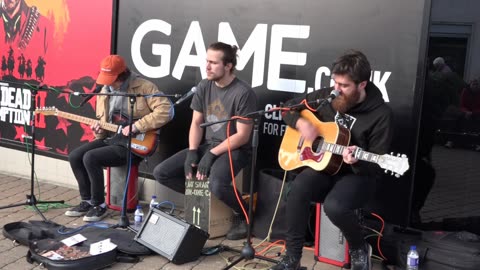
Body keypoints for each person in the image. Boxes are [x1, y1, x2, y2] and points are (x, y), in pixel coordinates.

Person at [271, 50, 394, 270]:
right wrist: (301, 123)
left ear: (362, 84)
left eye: (344, 86)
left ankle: (358, 248)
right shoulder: (328, 96)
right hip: (325, 167)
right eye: (335, 82)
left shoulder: (381, 115)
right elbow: (288, 107)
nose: (337, 89)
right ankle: (292, 257)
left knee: (335, 207)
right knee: (297, 189)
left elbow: (377, 164)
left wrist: (356, 160)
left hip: (357, 174)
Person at [153, 42, 257, 240]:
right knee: (162, 173)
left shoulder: (244, 93)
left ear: (228, 66)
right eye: (206, 61)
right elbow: (196, 122)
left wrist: (212, 154)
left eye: (213, 63)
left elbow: (242, 136)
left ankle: (244, 213)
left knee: (217, 184)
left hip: (235, 149)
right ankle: (202, 200)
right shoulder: (204, 85)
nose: (207, 67)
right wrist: (193, 151)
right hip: (208, 145)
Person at [65, 55, 173, 222]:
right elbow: (104, 130)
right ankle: (86, 201)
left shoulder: (144, 87)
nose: (107, 83)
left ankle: (99, 205)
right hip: (113, 139)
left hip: (135, 144)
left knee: (91, 157)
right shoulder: (104, 91)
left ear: (122, 75)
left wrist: (137, 126)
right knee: (75, 156)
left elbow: (167, 110)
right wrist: (98, 129)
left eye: (111, 79)